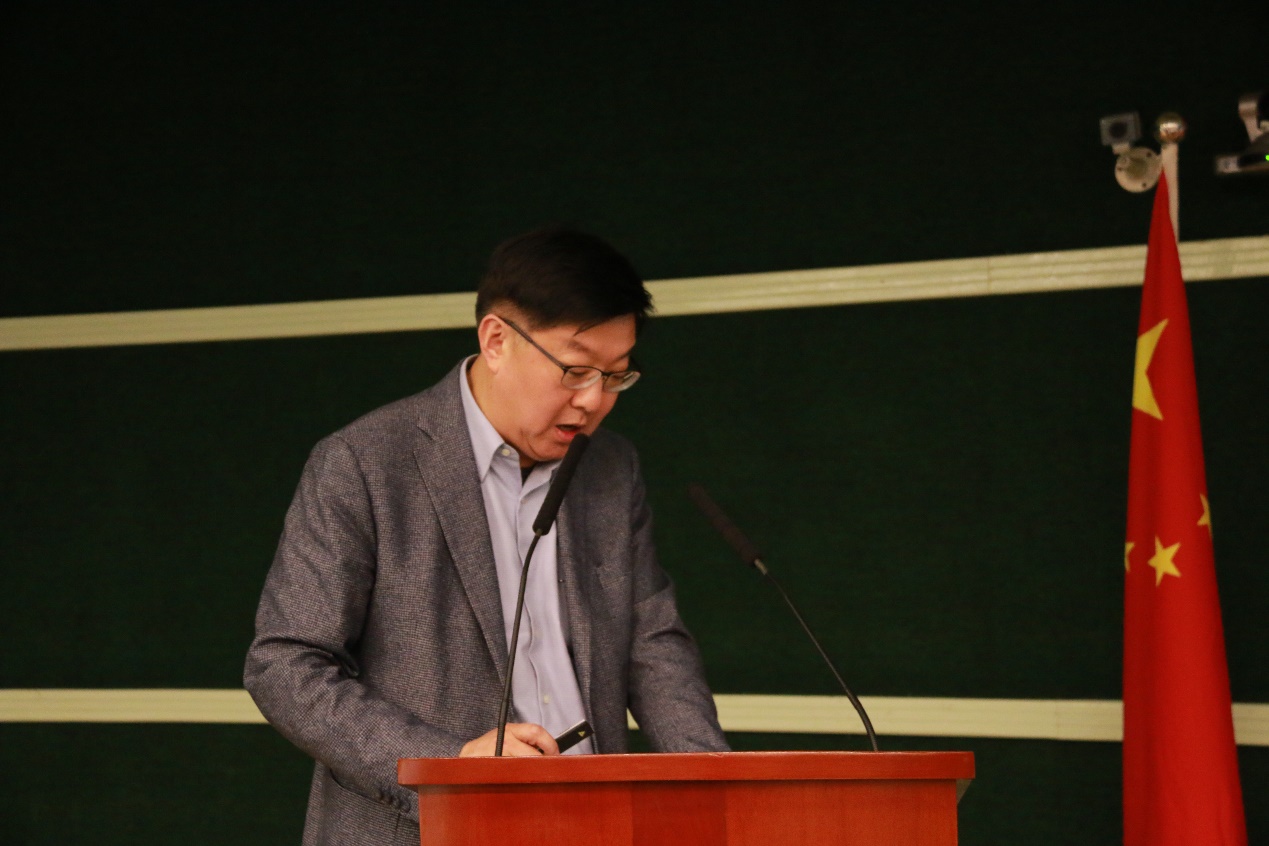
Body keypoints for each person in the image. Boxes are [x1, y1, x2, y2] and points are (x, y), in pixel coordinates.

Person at [244, 227, 728, 846]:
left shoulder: (610, 467)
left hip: (591, 825)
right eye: (575, 370)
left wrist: (715, 787)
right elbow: (286, 665)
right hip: (427, 828)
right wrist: (449, 767)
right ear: (496, 340)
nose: (592, 401)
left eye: (615, 376)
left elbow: (652, 641)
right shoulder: (364, 463)